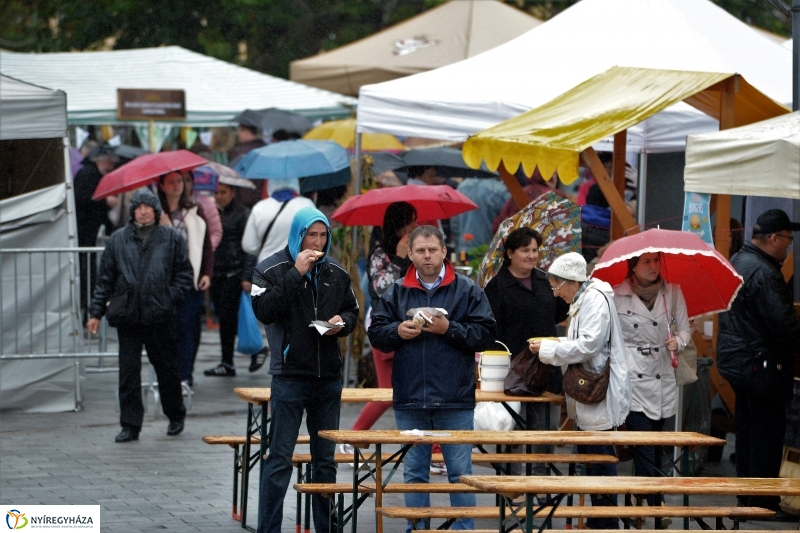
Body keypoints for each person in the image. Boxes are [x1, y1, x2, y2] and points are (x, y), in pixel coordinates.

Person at [369, 225, 496, 532]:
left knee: (460, 473)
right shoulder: (396, 291)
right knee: (414, 472)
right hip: (410, 397)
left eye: (433, 250)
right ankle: (419, 528)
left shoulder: (467, 290)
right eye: (421, 251)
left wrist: (449, 328)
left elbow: (486, 334)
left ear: (444, 252)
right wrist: (397, 332)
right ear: (410, 254)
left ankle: (463, 529)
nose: (427, 256)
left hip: (455, 397)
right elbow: (376, 334)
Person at [251, 207, 359, 533]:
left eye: (323, 235)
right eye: (311, 235)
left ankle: (326, 528)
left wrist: (342, 324)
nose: (318, 241)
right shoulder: (270, 268)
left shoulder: (336, 272)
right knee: (279, 457)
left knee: (324, 460)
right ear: (298, 235)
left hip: (327, 376)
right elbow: (265, 311)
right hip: (289, 376)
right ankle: (268, 528)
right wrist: (296, 273)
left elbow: (351, 311)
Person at [530, 252, 630, 530]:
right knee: (593, 456)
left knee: (600, 457)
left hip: (598, 390)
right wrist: (554, 344)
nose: (555, 293)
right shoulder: (585, 298)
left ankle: (605, 522)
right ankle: (598, 518)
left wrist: (549, 348)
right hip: (591, 390)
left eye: (556, 287)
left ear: (570, 281)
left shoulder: (594, 300)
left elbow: (589, 345)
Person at [86, 189, 192, 443]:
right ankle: (130, 425)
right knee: (129, 373)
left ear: (155, 210)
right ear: (132, 211)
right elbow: (105, 279)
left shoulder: (171, 238)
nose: (143, 211)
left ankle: (176, 415)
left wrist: (169, 297)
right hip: (129, 315)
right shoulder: (118, 240)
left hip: (160, 315)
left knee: (167, 369)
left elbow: (184, 274)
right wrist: (95, 312)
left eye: (148, 207)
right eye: (138, 207)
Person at [717, 209, 800, 521]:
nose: (789, 247)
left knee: (749, 434)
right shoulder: (764, 272)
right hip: (762, 366)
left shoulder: (738, 261)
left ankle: (748, 500)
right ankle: (763, 505)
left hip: (740, 364)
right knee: (766, 438)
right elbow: (783, 325)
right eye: (788, 240)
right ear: (774, 238)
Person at [483, 228, 569, 476]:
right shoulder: (497, 287)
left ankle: (540, 480)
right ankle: (512, 484)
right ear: (510, 253)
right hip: (514, 369)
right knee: (514, 428)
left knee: (546, 428)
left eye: (535, 250)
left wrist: (562, 293)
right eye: (525, 250)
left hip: (547, 366)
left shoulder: (546, 281)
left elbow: (559, 314)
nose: (532, 256)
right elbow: (490, 330)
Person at [338, 202, 417, 454]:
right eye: (411, 222)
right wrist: (399, 259)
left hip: (415, 329)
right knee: (388, 393)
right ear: (399, 226)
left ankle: (432, 448)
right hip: (386, 330)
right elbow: (384, 290)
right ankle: (353, 436)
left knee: (414, 390)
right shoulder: (380, 255)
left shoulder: (419, 252)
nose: (415, 227)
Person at [613, 252, 691, 504]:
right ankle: (654, 501)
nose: (653, 266)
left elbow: (685, 329)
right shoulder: (617, 295)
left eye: (656, 261)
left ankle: (646, 499)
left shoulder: (673, 292)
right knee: (644, 442)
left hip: (662, 374)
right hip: (631, 377)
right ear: (633, 267)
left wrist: (677, 341)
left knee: (655, 444)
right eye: (646, 262)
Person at [158, 172, 214, 390]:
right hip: (163, 283)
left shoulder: (194, 210)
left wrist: (206, 273)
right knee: (165, 331)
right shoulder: (154, 213)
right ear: (161, 185)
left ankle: (184, 376)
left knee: (186, 328)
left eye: (179, 181)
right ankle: (168, 374)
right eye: (171, 181)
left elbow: (206, 245)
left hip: (189, 281)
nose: (176, 185)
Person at [203, 180, 257, 376]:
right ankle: (241, 356)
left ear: (233, 192)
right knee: (226, 319)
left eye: (223, 192)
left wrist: (247, 276)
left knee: (230, 319)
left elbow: (249, 249)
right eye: (216, 192)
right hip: (216, 273)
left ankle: (231, 360)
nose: (219, 196)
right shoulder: (211, 212)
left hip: (234, 274)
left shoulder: (242, 214)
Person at [74, 144, 118, 319]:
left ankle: (90, 309)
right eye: (109, 162)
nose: (111, 166)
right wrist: (104, 201)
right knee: (88, 271)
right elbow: (85, 200)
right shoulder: (89, 175)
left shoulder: (90, 174)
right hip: (86, 232)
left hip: (88, 231)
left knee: (90, 271)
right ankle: (88, 309)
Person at [241, 179, 315, 264]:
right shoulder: (307, 205)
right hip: (299, 267)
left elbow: (249, 246)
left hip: (267, 267)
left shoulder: (259, 207)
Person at [450, 176, 510, 256]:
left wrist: (459, 247)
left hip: (464, 249)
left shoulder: (462, 186)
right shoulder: (499, 191)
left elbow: (455, 222)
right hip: (488, 251)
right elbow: (509, 220)